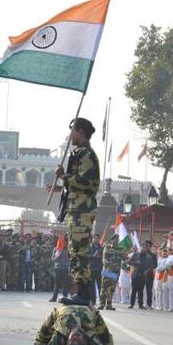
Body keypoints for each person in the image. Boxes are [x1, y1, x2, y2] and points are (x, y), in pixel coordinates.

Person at [47, 118, 100, 305]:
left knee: (80, 254)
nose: (71, 135)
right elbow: (75, 185)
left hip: (82, 211)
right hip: (74, 210)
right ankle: (79, 292)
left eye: (73, 131)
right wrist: (59, 187)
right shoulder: (78, 154)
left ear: (81, 132)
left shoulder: (87, 155)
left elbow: (86, 183)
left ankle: (84, 295)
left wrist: (64, 176)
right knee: (74, 253)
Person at [98, 234, 123, 310]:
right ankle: (101, 304)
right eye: (115, 239)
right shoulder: (107, 248)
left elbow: (125, 258)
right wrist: (109, 266)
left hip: (115, 271)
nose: (116, 241)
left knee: (111, 289)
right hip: (107, 271)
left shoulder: (121, 249)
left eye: (117, 239)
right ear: (112, 240)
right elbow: (104, 259)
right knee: (104, 288)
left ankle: (109, 305)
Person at [50, 235, 70, 302]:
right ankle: (54, 298)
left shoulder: (69, 249)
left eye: (65, 242)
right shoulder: (56, 249)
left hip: (65, 268)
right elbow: (53, 259)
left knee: (65, 284)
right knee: (56, 284)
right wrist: (57, 256)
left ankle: (65, 297)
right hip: (58, 268)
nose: (64, 243)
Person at [89, 234, 104, 305]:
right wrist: (93, 256)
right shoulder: (89, 247)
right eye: (94, 238)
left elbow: (105, 258)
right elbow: (87, 257)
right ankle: (93, 301)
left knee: (100, 285)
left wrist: (100, 256)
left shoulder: (102, 248)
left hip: (99, 269)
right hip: (91, 268)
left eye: (97, 238)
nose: (96, 240)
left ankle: (101, 301)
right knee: (91, 286)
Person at [143, 240, 158, 309]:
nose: (147, 247)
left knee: (149, 290)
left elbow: (155, 265)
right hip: (142, 274)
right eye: (146, 246)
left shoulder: (153, 255)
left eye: (149, 246)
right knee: (142, 290)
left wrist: (149, 269)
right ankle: (142, 303)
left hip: (150, 274)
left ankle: (149, 304)